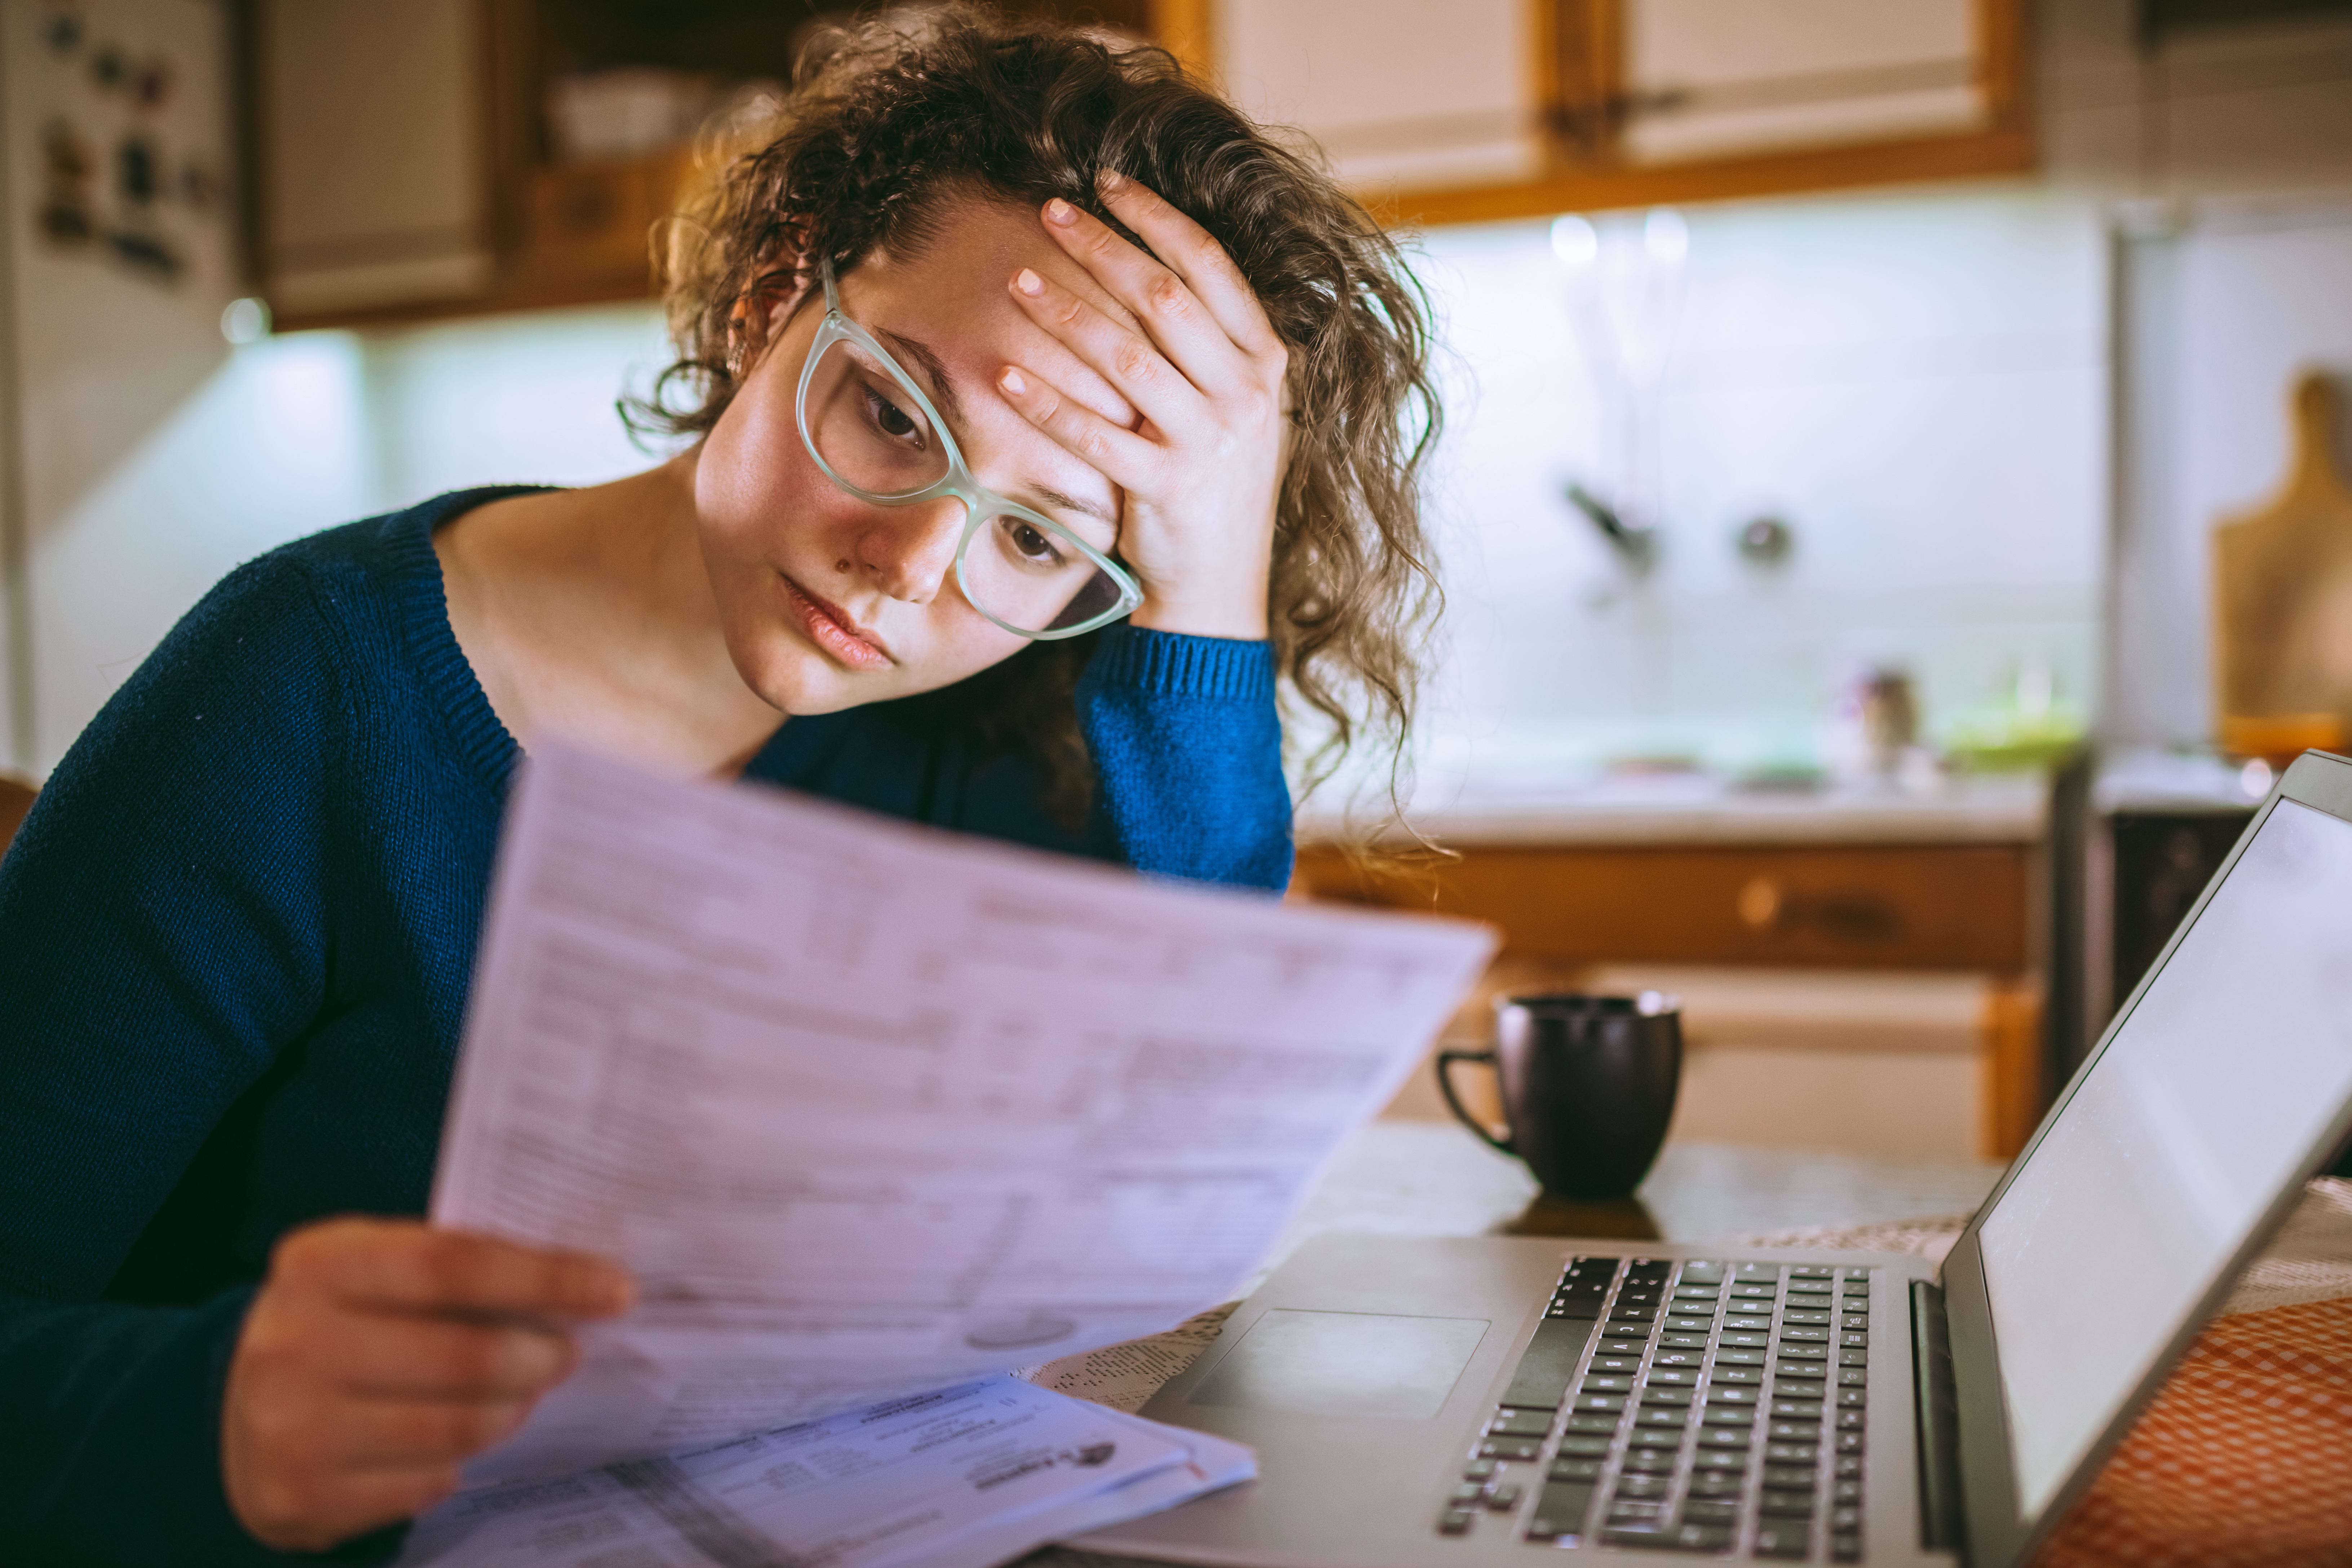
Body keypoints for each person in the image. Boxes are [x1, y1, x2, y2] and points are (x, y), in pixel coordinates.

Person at [0, 8, 1440, 1563]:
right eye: (893, 413)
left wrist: (1205, 583)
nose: (905, 572)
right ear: (774, 294)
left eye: (1040, 539)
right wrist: (216, 1412)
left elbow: (1182, 1160)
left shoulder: (994, 733)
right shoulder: (305, 685)